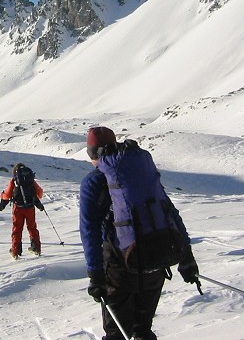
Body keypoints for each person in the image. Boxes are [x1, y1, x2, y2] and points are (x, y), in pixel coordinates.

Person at [79, 127, 199, 340]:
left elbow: (89, 231)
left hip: (120, 269)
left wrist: (95, 276)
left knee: (117, 334)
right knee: (142, 330)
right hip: (157, 260)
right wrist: (186, 257)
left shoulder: (93, 182)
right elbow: (168, 211)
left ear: (93, 153)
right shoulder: (141, 173)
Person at [0, 163, 45, 258]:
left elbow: (7, 195)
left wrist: (2, 201)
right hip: (30, 207)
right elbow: (39, 192)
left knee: (17, 228)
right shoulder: (31, 180)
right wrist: (37, 203)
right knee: (32, 227)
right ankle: (36, 248)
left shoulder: (14, 181)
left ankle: (16, 251)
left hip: (18, 208)